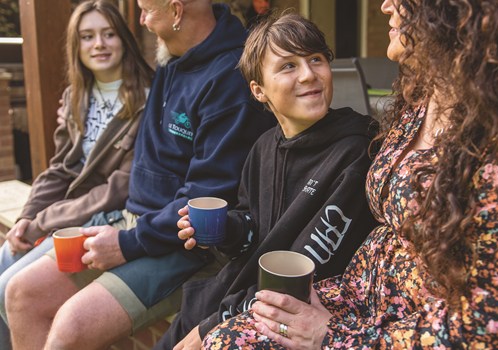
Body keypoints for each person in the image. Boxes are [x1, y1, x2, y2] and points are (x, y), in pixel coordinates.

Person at [203, 0, 498, 348]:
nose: (384, 6)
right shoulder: (430, 93)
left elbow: (493, 325)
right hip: (365, 297)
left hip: (429, 330)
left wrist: (334, 336)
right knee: (225, 339)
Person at [5, 0, 276, 349]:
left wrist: (125, 243)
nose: (143, 22)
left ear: (176, 12)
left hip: (187, 246)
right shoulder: (171, 60)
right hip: (133, 222)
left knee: (70, 328)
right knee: (20, 293)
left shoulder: (230, 80)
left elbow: (205, 200)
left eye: (146, 10)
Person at [155, 11, 379, 349]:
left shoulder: (356, 152)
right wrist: (225, 230)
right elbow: (252, 225)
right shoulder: (264, 146)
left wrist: (210, 326)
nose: (309, 75)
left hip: (281, 316)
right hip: (226, 298)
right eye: (288, 66)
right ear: (258, 90)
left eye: (316, 59)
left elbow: (298, 276)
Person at [0, 0, 153, 348]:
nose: (98, 44)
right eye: (87, 36)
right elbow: (61, 168)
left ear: (124, 40)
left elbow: (119, 187)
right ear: (77, 46)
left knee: (12, 289)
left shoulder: (148, 98)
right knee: (5, 261)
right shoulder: (77, 96)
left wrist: (45, 220)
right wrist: (27, 216)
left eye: (108, 34)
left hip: (108, 217)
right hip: (73, 209)